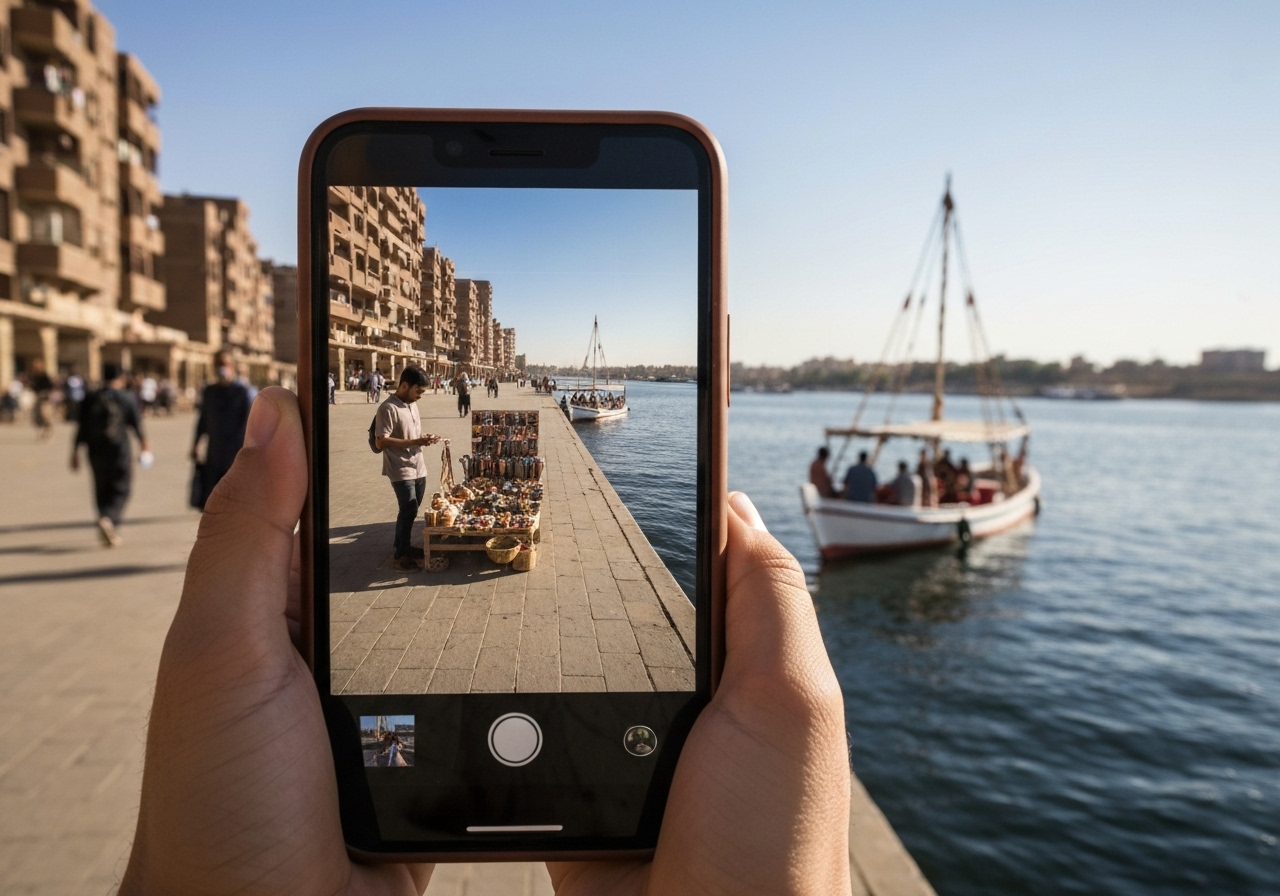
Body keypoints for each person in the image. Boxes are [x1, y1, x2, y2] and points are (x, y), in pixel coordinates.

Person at [117, 386, 852, 894]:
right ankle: (405, 549)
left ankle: (408, 554)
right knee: (407, 515)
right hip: (404, 471)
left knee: (412, 519)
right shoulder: (393, 411)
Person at [71, 362, 148, 547]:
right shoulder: (126, 397)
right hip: (119, 450)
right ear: (121, 377)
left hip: (95, 450)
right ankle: (110, 520)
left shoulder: (91, 397)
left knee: (101, 488)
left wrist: (75, 452)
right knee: (122, 488)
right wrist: (145, 448)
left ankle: (104, 518)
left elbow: (81, 427)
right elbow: (137, 426)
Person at [375, 366, 441, 571]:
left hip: (418, 465)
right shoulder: (388, 408)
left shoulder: (412, 405)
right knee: (408, 508)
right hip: (400, 467)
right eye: (418, 391)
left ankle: (403, 545)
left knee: (412, 509)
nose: (420, 396)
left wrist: (424, 439)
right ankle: (401, 554)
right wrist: (415, 441)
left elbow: (411, 435)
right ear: (405, 385)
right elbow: (381, 441)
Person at [192, 351, 252, 510]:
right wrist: (195, 444)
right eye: (218, 364)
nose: (221, 368)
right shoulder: (210, 391)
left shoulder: (242, 392)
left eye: (225, 364)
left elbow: (248, 423)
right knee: (212, 493)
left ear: (232, 366)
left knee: (234, 492)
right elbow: (203, 420)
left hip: (235, 450)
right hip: (214, 450)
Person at [28, 358, 55, 440]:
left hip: (45, 398)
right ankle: (41, 431)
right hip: (37, 397)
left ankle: (48, 430)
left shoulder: (44, 376)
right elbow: (33, 386)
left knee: (45, 415)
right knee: (37, 415)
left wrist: (46, 393)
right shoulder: (33, 376)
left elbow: (50, 386)